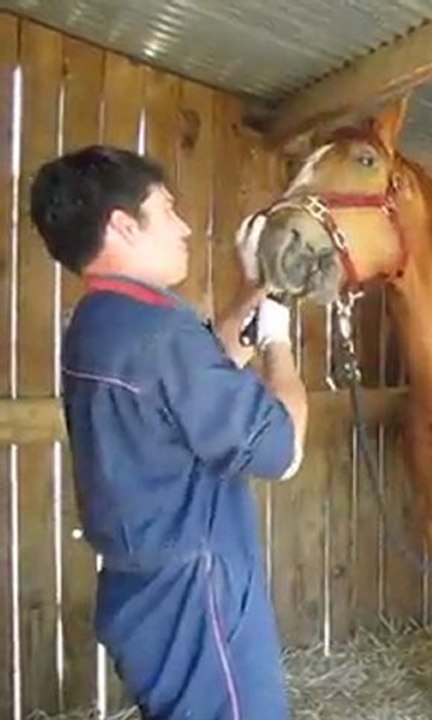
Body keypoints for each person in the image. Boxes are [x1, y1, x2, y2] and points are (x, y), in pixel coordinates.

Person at [29, 144, 308, 719]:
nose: (184, 227)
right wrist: (280, 344)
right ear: (124, 226)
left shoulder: (101, 323)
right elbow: (282, 448)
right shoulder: (158, 336)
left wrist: (259, 288)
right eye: (168, 210)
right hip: (197, 599)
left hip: (146, 590)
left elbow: (204, 370)